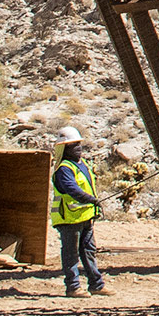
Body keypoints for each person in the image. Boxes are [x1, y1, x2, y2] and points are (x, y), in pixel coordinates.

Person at [50, 126, 106, 297]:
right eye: (74, 145)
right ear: (65, 149)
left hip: (85, 217)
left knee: (89, 251)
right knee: (71, 254)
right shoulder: (64, 169)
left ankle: (96, 285)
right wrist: (91, 200)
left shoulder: (83, 165)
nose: (79, 148)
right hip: (69, 218)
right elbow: (71, 189)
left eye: (79, 144)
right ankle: (73, 287)